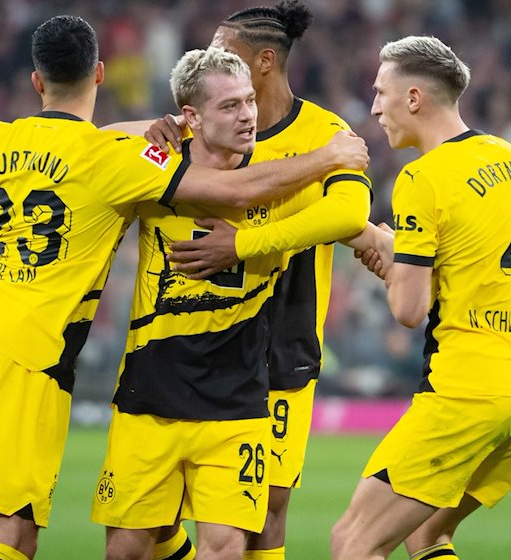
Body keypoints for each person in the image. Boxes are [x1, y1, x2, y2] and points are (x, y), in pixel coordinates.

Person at [0, 15, 370, 560]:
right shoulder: (118, 162)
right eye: (228, 105)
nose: (244, 116)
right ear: (99, 74)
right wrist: (329, 159)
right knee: (13, 533)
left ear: (36, 81)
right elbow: (230, 191)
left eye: (246, 104)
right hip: (34, 355)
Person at [144, 3, 380, 558]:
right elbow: (112, 164)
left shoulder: (328, 134)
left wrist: (243, 243)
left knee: (267, 510)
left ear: (265, 61)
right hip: (194, 347)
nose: (211, 58)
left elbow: (347, 216)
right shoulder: (194, 126)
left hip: (281, 346)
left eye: (226, 51)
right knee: (153, 519)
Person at [330, 36, 511, 560]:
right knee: (427, 534)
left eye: (381, 92)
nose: (374, 107)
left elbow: (410, 311)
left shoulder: (422, 176)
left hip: (470, 388)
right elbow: (466, 263)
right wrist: (391, 248)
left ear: (413, 98)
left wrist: (388, 264)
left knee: (353, 542)